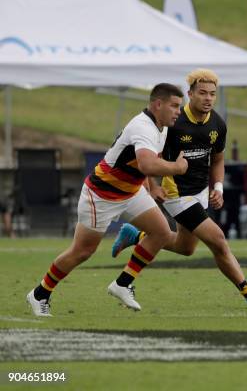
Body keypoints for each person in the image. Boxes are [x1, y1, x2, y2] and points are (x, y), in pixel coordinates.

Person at [111, 69, 247, 310]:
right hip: (176, 193)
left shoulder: (218, 124)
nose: (208, 98)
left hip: (200, 192)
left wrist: (217, 187)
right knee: (218, 240)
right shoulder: (173, 124)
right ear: (190, 94)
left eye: (212, 94)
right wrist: (152, 186)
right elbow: (146, 157)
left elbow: (218, 159)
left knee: (185, 247)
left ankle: (135, 235)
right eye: (202, 93)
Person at [26, 83, 188, 317]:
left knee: (161, 233)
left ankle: (122, 284)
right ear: (157, 104)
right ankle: (40, 294)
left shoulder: (160, 127)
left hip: (131, 192)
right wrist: (178, 168)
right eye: (174, 106)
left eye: (179, 107)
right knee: (82, 251)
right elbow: (146, 164)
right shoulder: (143, 127)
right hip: (101, 196)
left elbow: (147, 160)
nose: (178, 112)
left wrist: (151, 187)